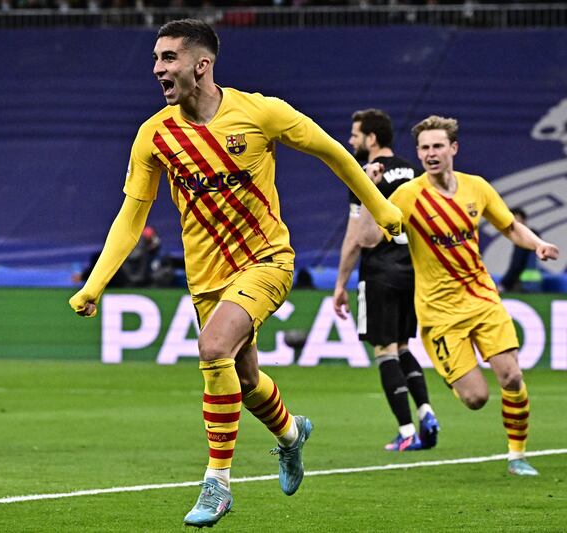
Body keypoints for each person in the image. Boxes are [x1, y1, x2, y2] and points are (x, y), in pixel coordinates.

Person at [68, 19, 402, 527]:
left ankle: (218, 483)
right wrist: (95, 284)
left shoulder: (259, 112)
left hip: (266, 259)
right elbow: (131, 216)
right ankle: (292, 435)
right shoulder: (154, 136)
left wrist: (380, 209)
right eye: (156, 59)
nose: (158, 68)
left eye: (168, 58)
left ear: (201, 65)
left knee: (211, 350)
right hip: (206, 278)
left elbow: (333, 152)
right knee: (243, 381)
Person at [358, 115, 559, 476]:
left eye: (437, 146)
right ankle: (455, 380)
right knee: (475, 398)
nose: (431, 153)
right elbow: (369, 240)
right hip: (439, 313)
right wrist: (370, 193)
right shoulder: (407, 195)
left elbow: (510, 226)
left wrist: (539, 243)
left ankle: (517, 455)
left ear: (453, 148)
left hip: (482, 297)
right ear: (418, 153)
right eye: (424, 148)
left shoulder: (476, 187)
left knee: (512, 377)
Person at [332, 109, 439, 452]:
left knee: (384, 350)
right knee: (403, 346)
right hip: (412, 271)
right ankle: (427, 412)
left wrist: (340, 284)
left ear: (371, 138)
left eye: (355, 135)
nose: (351, 141)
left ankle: (406, 431)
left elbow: (357, 239)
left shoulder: (364, 175)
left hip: (380, 271)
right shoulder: (417, 171)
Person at [498, 208, 535, 293]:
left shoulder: (523, 239)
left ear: (524, 221)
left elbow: (516, 265)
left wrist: (504, 284)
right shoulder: (533, 238)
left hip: (524, 284)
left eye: (517, 221)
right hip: (532, 283)